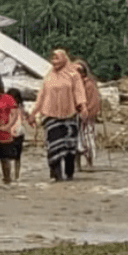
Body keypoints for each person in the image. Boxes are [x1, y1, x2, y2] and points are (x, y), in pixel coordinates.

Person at [28, 49, 87, 181]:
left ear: (64, 59)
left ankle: (69, 173)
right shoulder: (49, 77)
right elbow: (42, 96)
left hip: (69, 116)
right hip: (51, 116)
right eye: (53, 59)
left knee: (69, 147)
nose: (54, 62)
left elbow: (79, 92)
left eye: (57, 59)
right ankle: (56, 174)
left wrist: (83, 107)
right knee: (54, 146)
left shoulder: (73, 75)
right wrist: (33, 113)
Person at [72, 58, 102, 170]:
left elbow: (94, 102)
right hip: (74, 117)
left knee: (87, 141)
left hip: (86, 117)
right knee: (75, 141)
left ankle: (90, 163)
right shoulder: (74, 85)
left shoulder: (89, 85)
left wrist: (86, 114)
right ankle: (77, 165)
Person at [6, 88, 30, 181]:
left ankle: (16, 175)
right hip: (9, 133)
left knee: (17, 157)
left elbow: (25, 116)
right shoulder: (6, 108)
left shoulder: (20, 107)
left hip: (19, 133)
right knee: (8, 156)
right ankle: (9, 175)